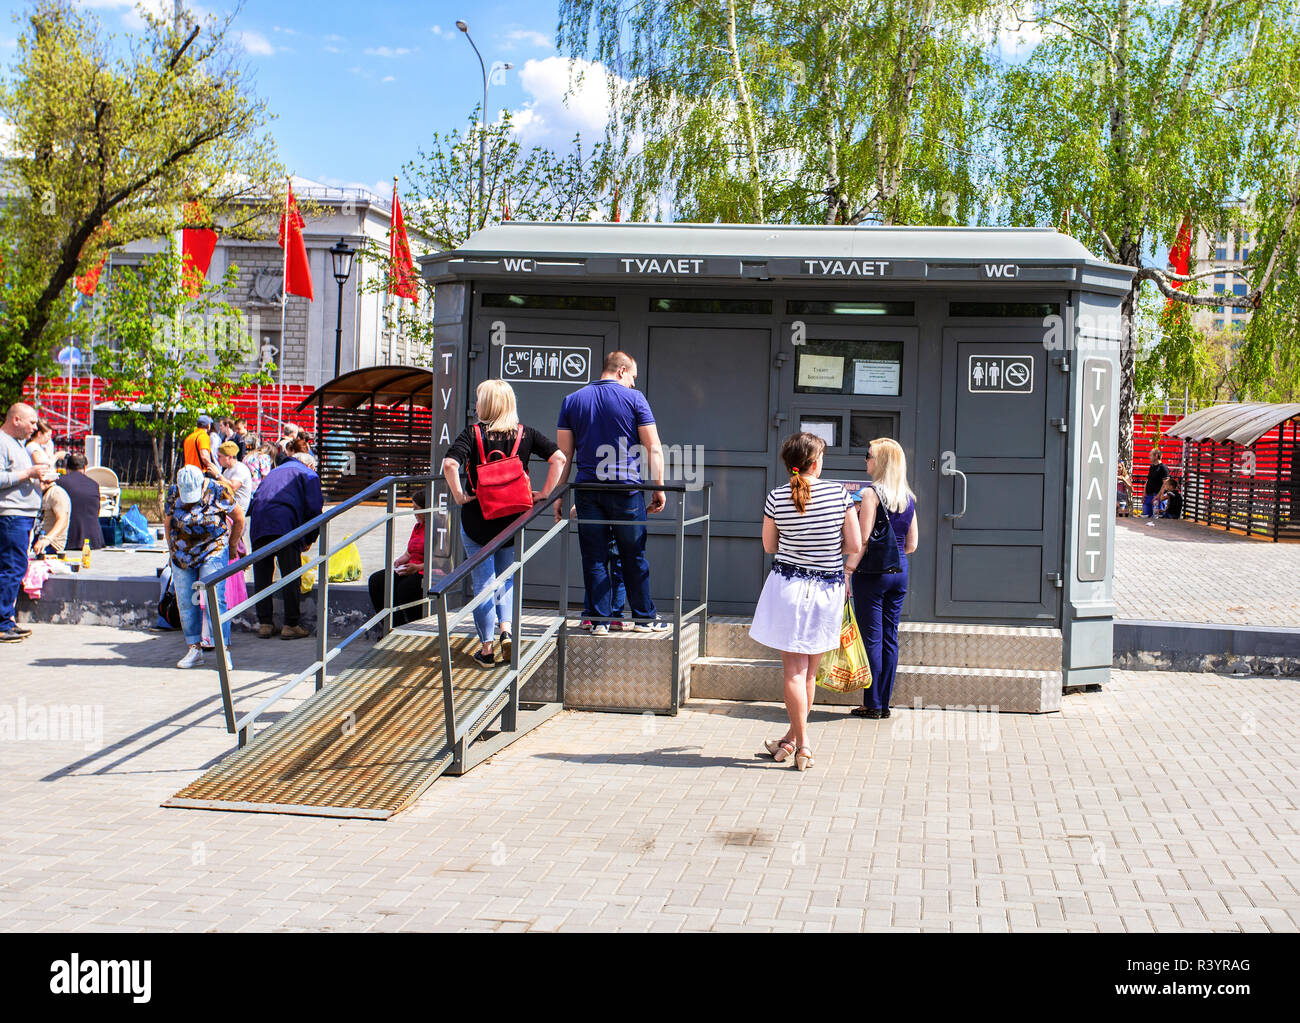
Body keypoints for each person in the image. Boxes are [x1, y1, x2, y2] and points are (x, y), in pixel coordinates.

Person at [750, 432, 862, 771]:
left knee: (794, 674)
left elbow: (770, 546)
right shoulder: (838, 494)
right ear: (815, 462)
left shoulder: (776, 496)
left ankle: (800, 744)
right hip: (827, 590)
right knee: (809, 674)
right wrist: (825, 550)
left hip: (787, 587)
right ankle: (794, 742)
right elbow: (854, 543)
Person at [443, 379, 566, 667]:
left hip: (478, 519)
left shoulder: (472, 434)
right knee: (506, 578)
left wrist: (460, 495)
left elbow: (450, 465)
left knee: (482, 582)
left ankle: (486, 649)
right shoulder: (526, 434)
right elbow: (558, 458)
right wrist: (545, 493)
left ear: (485, 405)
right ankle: (506, 630)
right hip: (513, 518)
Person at [551, 351, 669, 634]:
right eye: (633, 378)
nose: (633, 384)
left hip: (587, 490)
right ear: (621, 370)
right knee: (634, 555)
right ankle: (644, 618)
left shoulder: (572, 401)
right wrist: (659, 487)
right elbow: (653, 447)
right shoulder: (635, 400)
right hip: (626, 490)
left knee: (593, 557)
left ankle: (599, 620)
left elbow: (564, 455)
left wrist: (558, 495)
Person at [846, 438, 918, 720]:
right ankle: (883, 703)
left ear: (882, 462)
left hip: (873, 573)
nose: (866, 460)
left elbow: (862, 541)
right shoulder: (908, 497)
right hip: (899, 569)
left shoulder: (870, 494)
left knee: (872, 639)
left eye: (869, 456)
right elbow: (912, 544)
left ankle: (871, 704)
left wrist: (847, 571)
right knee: (890, 638)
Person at [163, 465, 244, 669]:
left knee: (214, 599)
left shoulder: (218, 490)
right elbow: (168, 522)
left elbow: (239, 518)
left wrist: (233, 546)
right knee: (185, 601)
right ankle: (194, 648)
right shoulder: (173, 493)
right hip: (182, 552)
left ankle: (223, 649)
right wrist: (171, 550)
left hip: (212, 548)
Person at [247, 445, 324, 639]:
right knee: (291, 573)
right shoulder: (308, 473)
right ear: (310, 464)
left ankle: (265, 623)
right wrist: (309, 538)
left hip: (259, 522)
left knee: (262, 573)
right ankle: (291, 624)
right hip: (284, 523)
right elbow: (315, 509)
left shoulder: (275, 472)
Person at [0, 403, 46, 642]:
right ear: (16, 420)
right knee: (11, 567)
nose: (35, 427)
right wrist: (29, 474)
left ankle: (6, 619)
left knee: (14, 567)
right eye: (31, 422)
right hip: (11, 515)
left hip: (21, 514)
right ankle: (2, 622)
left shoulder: (18, 445)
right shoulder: (2, 442)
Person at [367, 489, 431, 627]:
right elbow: (409, 552)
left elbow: (437, 560)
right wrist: (401, 560)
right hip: (410, 567)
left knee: (405, 588)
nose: (413, 512)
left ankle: (415, 626)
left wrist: (417, 568)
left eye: (416, 508)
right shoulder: (418, 527)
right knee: (377, 580)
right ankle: (391, 625)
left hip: (423, 570)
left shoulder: (435, 528)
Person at [58, 453, 106, 552]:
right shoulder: (94, 484)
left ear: (66, 467)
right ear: (85, 467)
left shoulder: (59, 483)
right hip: (93, 540)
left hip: (68, 539)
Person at [33, 475, 71, 556]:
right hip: (37, 538)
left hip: (51, 544)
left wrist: (47, 539)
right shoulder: (42, 493)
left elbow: (62, 519)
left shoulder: (56, 493)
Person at [217, 441, 253, 514]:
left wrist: (218, 475)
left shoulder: (240, 468)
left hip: (238, 513)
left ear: (230, 457)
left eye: (220, 456)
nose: (218, 459)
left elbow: (233, 487)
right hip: (228, 510)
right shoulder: (227, 471)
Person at [1143, 448, 1170, 525]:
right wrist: (1144, 493)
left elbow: (1165, 484)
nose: (1149, 457)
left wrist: (1158, 496)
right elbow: (1148, 480)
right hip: (1149, 496)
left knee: (1156, 520)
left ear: (1156, 456)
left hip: (1157, 497)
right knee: (1145, 517)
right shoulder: (1151, 467)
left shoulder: (1163, 468)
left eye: (1150, 455)